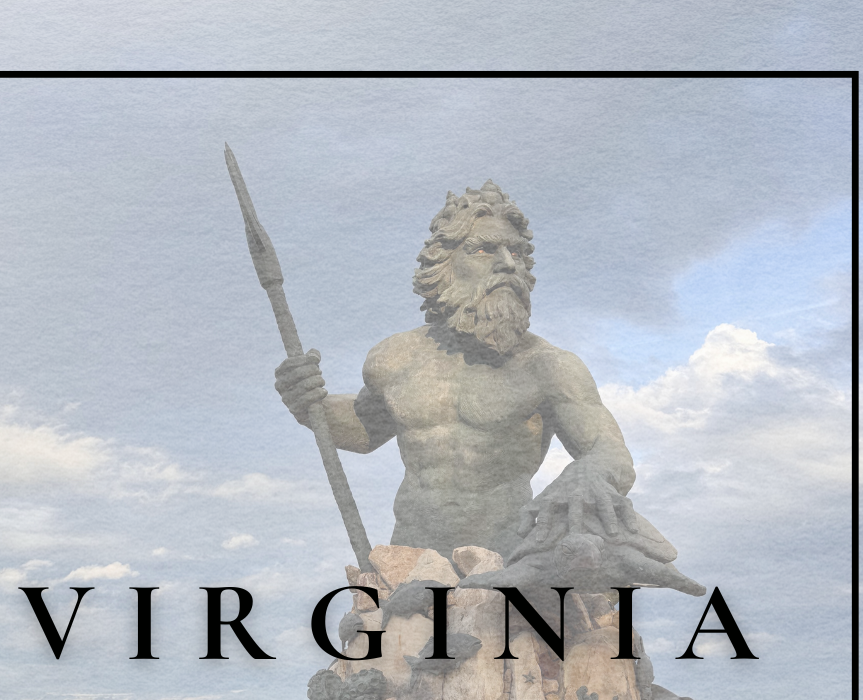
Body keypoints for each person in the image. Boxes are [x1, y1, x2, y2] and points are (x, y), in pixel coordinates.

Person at [275, 181, 701, 595]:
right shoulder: (393, 357)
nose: (508, 264)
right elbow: (366, 431)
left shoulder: (549, 367)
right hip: (410, 561)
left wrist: (585, 474)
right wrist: (308, 403)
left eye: (516, 252)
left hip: (507, 564)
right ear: (442, 262)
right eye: (484, 249)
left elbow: (612, 455)